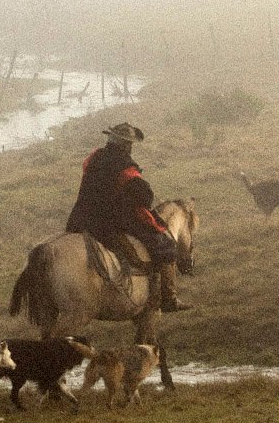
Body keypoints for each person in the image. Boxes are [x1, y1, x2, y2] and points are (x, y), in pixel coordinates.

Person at [66, 122, 193, 312]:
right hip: (109, 222)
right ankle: (169, 298)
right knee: (166, 247)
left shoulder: (93, 158)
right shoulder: (126, 168)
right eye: (130, 144)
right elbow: (144, 196)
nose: (131, 147)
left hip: (80, 217)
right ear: (125, 145)